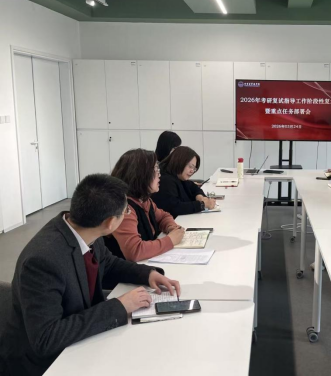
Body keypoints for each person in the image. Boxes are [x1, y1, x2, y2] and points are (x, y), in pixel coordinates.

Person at [0, 174, 181, 376]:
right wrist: (120, 306)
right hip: (43, 364)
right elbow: (46, 338)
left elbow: (107, 264)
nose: (127, 214)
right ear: (110, 223)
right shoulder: (43, 261)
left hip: (80, 339)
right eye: (126, 211)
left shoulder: (85, 228)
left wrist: (147, 274)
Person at [105, 149, 185, 262]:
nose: (159, 175)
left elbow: (163, 216)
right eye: (156, 170)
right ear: (140, 175)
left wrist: (171, 227)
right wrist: (170, 240)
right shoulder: (124, 208)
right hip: (125, 270)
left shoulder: (144, 200)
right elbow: (135, 251)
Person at [152, 146, 216, 218]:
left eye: (194, 168)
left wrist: (199, 196)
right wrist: (202, 205)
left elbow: (194, 187)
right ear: (180, 161)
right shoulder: (165, 180)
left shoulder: (179, 176)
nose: (192, 171)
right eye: (190, 166)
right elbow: (174, 208)